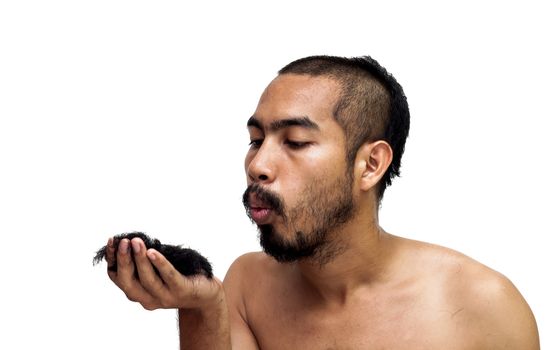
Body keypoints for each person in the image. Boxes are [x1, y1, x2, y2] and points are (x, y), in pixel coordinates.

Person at [105, 55, 540, 349]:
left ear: (370, 165)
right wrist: (203, 306)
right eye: (256, 140)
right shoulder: (246, 286)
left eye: (294, 141)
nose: (258, 164)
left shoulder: (483, 304)